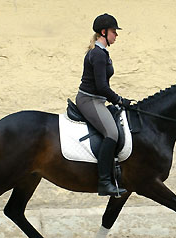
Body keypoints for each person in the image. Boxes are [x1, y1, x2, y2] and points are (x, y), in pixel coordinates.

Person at [76, 13, 132, 196]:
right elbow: (101, 86)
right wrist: (119, 100)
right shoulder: (98, 54)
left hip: (97, 99)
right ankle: (104, 182)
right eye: (114, 31)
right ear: (104, 32)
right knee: (112, 133)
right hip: (89, 99)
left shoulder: (102, 53)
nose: (116, 35)